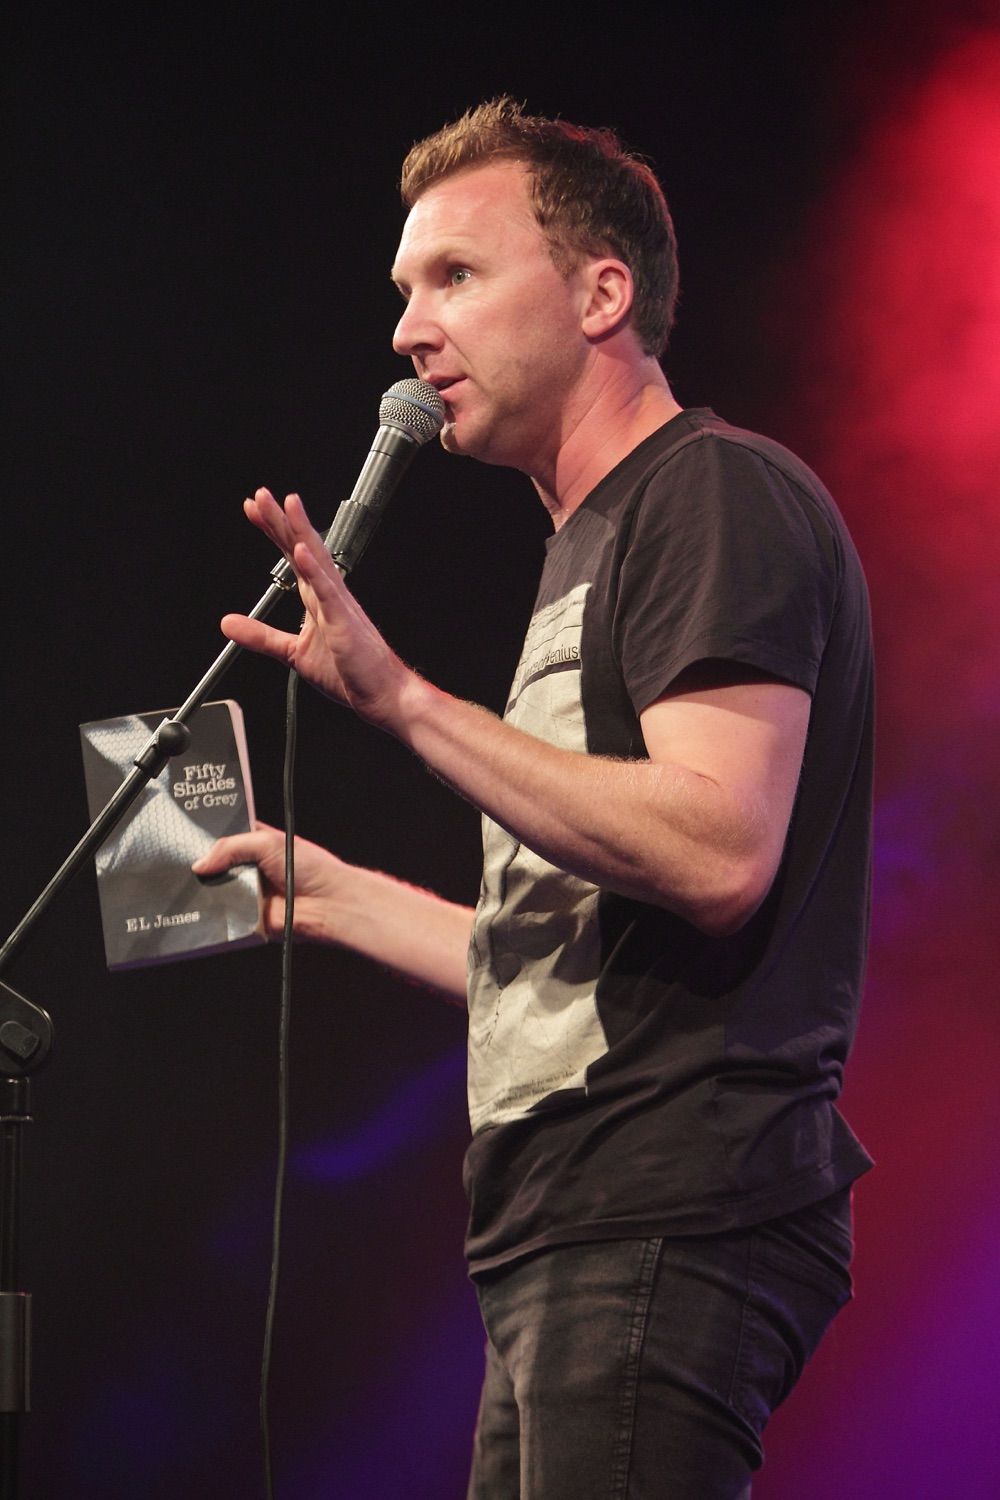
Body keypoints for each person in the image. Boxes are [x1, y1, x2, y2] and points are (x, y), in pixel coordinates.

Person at [194, 99, 874, 1499]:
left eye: (454, 277)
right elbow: (568, 970)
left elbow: (719, 846)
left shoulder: (712, 496)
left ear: (600, 292)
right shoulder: (584, 550)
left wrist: (404, 703)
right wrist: (326, 893)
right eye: (403, 291)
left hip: (672, 1204)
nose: (406, 329)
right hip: (567, 1227)